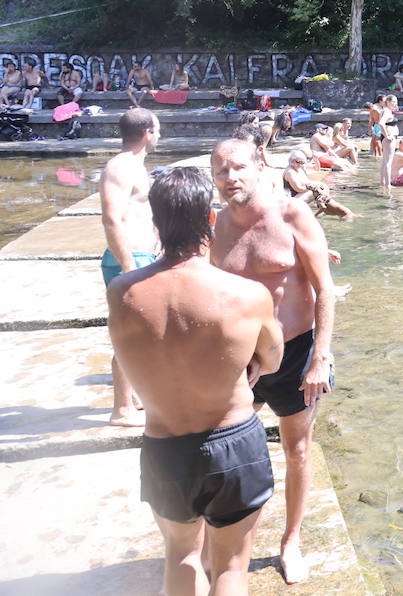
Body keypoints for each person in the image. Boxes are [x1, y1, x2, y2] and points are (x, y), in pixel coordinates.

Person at [107, 167, 284, 596]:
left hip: (165, 448)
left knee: (181, 555)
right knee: (231, 568)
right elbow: (274, 360)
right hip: (233, 443)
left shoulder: (122, 293)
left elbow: (132, 357)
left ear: (155, 224)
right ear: (210, 220)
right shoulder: (246, 295)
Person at [210, 138, 340, 585]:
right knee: (224, 448)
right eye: (221, 171)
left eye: (238, 168)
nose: (230, 179)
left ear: (260, 164)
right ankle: (231, 539)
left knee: (297, 449)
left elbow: (324, 290)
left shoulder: (291, 215)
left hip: (298, 354)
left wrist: (320, 357)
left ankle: (291, 541)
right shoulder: (217, 226)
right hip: (243, 360)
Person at [99, 107, 162, 427]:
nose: (160, 134)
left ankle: (133, 396)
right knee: (131, 336)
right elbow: (111, 216)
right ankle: (121, 409)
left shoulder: (136, 166)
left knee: (145, 334)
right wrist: (127, 265)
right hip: (129, 259)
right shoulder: (120, 167)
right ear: (148, 133)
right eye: (158, 129)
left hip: (141, 258)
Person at [283, 151, 355, 219]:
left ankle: (322, 206)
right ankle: (322, 206)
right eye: (298, 162)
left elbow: (316, 169)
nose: (300, 164)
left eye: (302, 162)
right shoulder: (290, 172)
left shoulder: (300, 168)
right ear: (292, 161)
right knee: (314, 191)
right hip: (293, 199)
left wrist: (316, 160)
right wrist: (313, 187)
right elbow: (298, 189)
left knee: (322, 186)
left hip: (302, 193)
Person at [375, 95, 400, 190]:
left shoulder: (385, 110)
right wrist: (387, 136)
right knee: (388, 162)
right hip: (389, 138)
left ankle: (382, 183)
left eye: (396, 102)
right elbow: (381, 123)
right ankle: (388, 185)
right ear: (388, 102)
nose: (395, 104)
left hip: (386, 137)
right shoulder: (387, 111)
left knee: (385, 161)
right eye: (393, 102)